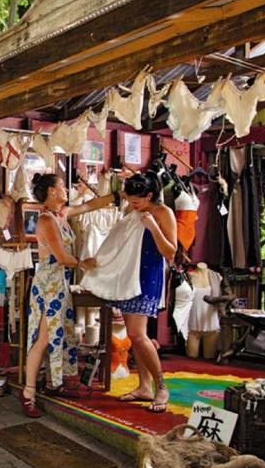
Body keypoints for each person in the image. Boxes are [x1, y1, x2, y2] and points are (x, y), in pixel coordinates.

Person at [20, 172, 116, 418]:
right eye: (62, 186)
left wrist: (117, 195)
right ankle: (28, 394)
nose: (66, 189)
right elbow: (61, 257)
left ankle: (54, 383)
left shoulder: (61, 215)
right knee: (43, 338)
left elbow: (88, 205)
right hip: (48, 284)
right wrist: (84, 264)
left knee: (59, 335)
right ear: (52, 191)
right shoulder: (46, 220)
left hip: (59, 283)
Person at [111, 171, 177, 414]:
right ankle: (144, 386)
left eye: (137, 201)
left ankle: (162, 386)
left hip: (148, 275)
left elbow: (171, 252)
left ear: (150, 195)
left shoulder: (163, 213)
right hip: (129, 274)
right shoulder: (133, 209)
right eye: (130, 200)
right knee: (134, 334)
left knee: (137, 334)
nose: (132, 205)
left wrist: (153, 227)